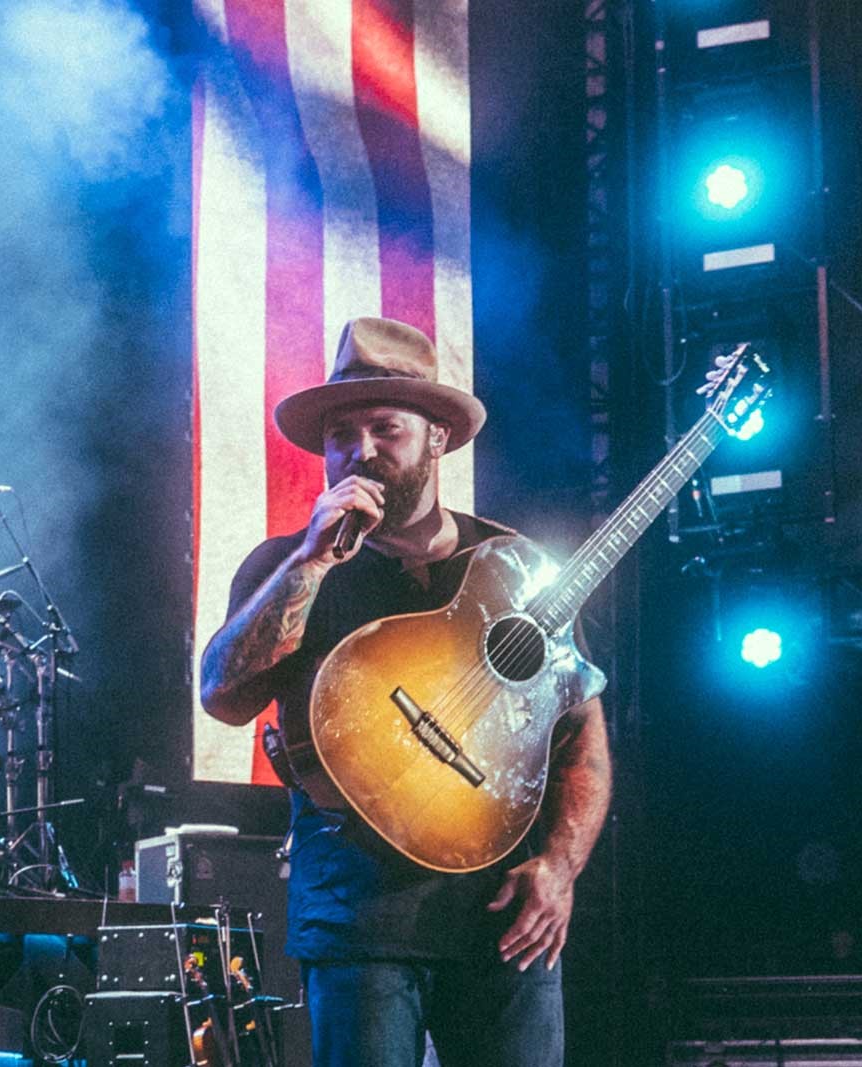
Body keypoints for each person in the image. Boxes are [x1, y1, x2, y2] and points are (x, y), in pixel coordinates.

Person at [199, 317, 612, 1067]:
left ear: (438, 439)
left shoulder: (513, 566)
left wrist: (559, 865)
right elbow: (222, 696)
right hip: (359, 917)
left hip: (502, 914)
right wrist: (310, 561)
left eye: (386, 428)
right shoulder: (286, 564)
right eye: (340, 434)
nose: (359, 450)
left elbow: (580, 735)